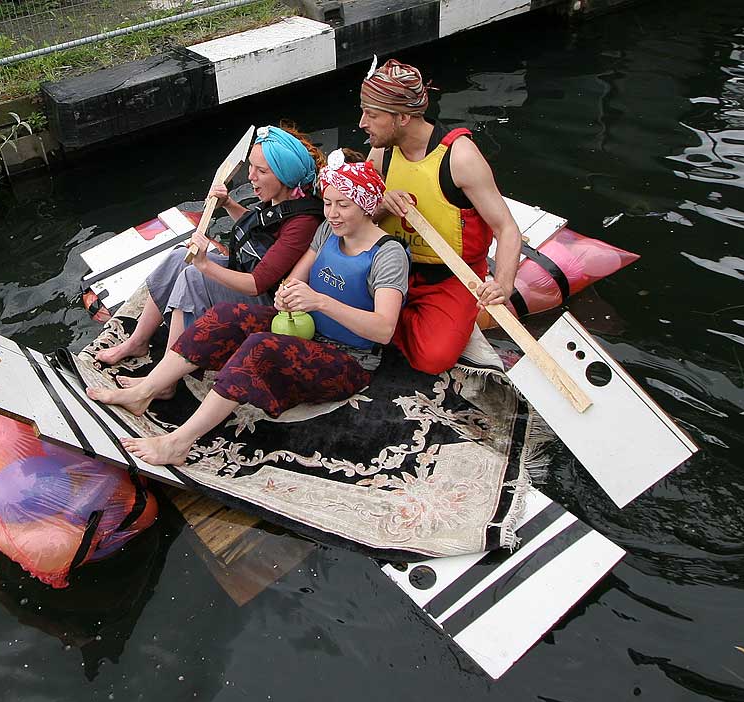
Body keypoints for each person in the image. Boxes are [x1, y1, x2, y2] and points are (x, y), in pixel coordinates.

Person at [87, 151, 409, 466]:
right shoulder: (327, 231)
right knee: (225, 315)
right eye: (327, 203)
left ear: (366, 207)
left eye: (343, 205)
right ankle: (146, 390)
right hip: (306, 330)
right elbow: (294, 281)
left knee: (259, 348)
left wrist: (320, 301)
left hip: (349, 360)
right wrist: (286, 296)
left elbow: (383, 329)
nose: (332, 213)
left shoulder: (387, 255)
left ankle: (177, 443)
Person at [94, 125, 325, 382]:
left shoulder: (302, 223)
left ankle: (164, 379)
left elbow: (256, 284)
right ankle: (136, 342)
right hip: (252, 274)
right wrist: (227, 203)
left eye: (262, 171)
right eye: (251, 167)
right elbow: (256, 229)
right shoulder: (279, 198)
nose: (251, 177)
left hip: (272, 303)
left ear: (285, 176)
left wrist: (205, 265)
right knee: (177, 257)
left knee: (193, 276)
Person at [359, 59, 522, 374]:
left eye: (373, 115)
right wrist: (380, 205)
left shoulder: (460, 158)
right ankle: (398, 322)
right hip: (393, 266)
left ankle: (417, 325)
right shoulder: (381, 150)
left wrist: (503, 284)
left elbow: (507, 228)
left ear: (403, 117)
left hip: (449, 276)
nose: (363, 123)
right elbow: (360, 216)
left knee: (433, 359)